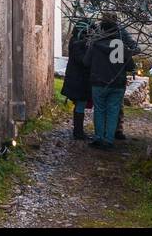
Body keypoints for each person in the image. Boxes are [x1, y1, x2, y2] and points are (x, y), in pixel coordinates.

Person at [83, 11, 139, 150]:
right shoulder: (120, 45)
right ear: (117, 28)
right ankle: (109, 140)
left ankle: (98, 138)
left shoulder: (95, 43)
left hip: (99, 82)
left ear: (102, 27)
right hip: (117, 83)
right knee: (113, 111)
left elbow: (86, 62)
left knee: (99, 110)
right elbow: (131, 64)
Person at [60, 17, 93, 140]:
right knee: (80, 104)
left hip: (79, 78)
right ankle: (78, 132)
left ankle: (79, 131)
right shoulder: (76, 42)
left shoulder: (77, 41)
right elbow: (82, 61)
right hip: (78, 79)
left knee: (81, 104)